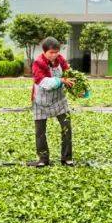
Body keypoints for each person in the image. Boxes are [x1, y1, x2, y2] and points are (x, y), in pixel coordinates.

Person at [29, 37, 76, 167]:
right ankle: (43, 159)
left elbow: (69, 74)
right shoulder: (38, 63)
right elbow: (42, 82)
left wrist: (77, 87)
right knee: (40, 132)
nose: (54, 55)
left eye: (56, 52)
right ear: (44, 52)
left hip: (59, 99)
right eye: (51, 53)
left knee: (67, 127)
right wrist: (60, 80)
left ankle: (66, 158)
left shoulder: (60, 59)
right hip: (41, 100)